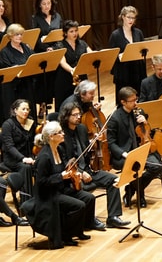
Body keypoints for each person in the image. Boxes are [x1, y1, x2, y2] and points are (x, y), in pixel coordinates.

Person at [59, 102, 131, 229]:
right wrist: (80, 172)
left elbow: (86, 153)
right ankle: (89, 220)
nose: (78, 117)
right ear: (67, 117)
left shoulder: (81, 129)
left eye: (79, 114)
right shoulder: (62, 135)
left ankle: (113, 217)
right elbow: (65, 162)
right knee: (84, 193)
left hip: (88, 170)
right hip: (73, 176)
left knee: (113, 180)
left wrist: (94, 142)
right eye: (74, 115)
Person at [30, 121, 93, 249]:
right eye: (59, 132)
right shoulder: (44, 157)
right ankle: (66, 234)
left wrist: (74, 175)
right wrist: (61, 177)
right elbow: (41, 182)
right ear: (51, 136)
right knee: (79, 205)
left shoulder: (59, 149)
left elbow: (65, 168)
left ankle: (78, 230)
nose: (63, 134)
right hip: (48, 195)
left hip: (61, 189)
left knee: (89, 198)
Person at [106, 86, 162, 209]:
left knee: (156, 166)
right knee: (135, 168)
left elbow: (148, 132)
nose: (135, 103)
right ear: (123, 102)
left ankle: (131, 189)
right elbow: (111, 143)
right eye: (132, 101)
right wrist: (124, 154)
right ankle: (140, 196)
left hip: (141, 149)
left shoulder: (139, 112)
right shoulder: (114, 119)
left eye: (136, 99)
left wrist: (145, 122)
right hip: (124, 154)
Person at [109, 6, 146, 104]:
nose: (131, 20)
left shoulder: (138, 33)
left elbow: (143, 48)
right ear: (123, 17)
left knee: (138, 98)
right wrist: (120, 56)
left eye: (133, 18)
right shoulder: (115, 35)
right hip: (123, 72)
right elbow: (112, 54)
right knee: (124, 99)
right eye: (129, 17)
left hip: (137, 70)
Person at [53, 20, 92, 111]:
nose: (75, 33)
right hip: (65, 79)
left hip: (81, 77)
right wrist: (72, 70)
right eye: (71, 31)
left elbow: (91, 55)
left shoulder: (82, 43)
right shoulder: (60, 45)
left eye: (76, 30)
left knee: (83, 104)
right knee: (66, 106)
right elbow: (62, 62)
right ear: (65, 33)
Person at [0, 23, 37, 121]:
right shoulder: (5, 52)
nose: (20, 36)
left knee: (30, 108)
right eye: (17, 34)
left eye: (21, 34)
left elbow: (34, 60)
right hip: (15, 87)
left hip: (28, 83)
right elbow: (7, 69)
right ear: (10, 36)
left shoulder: (26, 47)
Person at [1, 99, 36, 201]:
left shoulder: (30, 122)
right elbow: (9, 147)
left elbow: (33, 141)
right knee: (26, 167)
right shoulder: (8, 125)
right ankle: (27, 201)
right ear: (15, 110)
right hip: (12, 158)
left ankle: (41, 198)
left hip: (28, 156)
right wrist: (22, 158)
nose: (26, 111)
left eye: (27, 109)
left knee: (42, 163)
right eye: (23, 109)